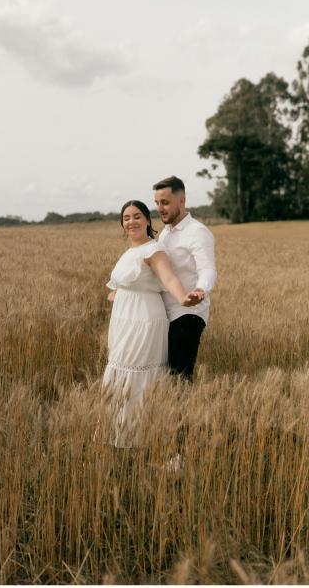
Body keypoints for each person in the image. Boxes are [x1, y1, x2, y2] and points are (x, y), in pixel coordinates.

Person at [102, 199, 202, 448]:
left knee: (138, 372)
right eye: (126, 218)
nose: (131, 222)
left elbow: (168, 278)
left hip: (144, 321)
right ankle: (119, 436)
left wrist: (182, 297)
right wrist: (118, 294)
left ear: (148, 220)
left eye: (137, 216)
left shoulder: (153, 249)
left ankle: (142, 438)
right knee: (120, 368)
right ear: (122, 225)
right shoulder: (128, 253)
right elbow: (116, 287)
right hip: (124, 320)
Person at [153, 175, 217, 382]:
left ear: (182, 201)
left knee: (179, 378)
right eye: (157, 203)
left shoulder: (197, 232)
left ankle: (185, 414)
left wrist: (200, 289)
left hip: (188, 314)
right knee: (167, 377)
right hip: (165, 314)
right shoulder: (165, 234)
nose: (160, 208)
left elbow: (208, 269)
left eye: (165, 202)